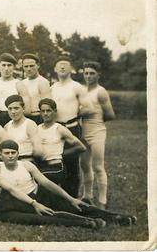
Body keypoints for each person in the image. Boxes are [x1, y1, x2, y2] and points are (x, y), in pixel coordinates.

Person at [0, 144, 106, 228]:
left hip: (6, 200)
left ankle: (96, 221)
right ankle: (87, 223)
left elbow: (11, 189)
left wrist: (34, 203)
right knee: (33, 220)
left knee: (44, 213)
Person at [0, 140, 136, 226]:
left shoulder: (27, 165)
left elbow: (46, 183)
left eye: (13, 153)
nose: (10, 156)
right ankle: (91, 222)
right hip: (23, 202)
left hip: (40, 195)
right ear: (0, 155)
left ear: (18, 154)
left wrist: (70, 198)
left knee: (75, 206)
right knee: (54, 215)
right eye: (6, 153)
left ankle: (117, 217)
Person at [51, 55, 93, 197]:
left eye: (65, 64)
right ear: (55, 69)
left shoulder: (77, 87)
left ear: (71, 69)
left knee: (72, 163)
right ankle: (58, 196)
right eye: (60, 65)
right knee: (56, 160)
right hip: (55, 129)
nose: (62, 67)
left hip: (72, 127)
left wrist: (75, 116)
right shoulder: (52, 87)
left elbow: (88, 107)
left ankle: (73, 197)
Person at [79, 61, 116, 209]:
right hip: (82, 132)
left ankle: (102, 200)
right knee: (84, 166)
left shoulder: (101, 91)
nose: (88, 76)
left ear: (98, 75)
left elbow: (111, 115)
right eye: (86, 73)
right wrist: (83, 113)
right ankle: (87, 196)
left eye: (92, 73)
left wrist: (96, 114)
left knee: (98, 166)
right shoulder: (80, 90)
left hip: (97, 132)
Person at [37, 98, 86, 188]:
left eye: (48, 111)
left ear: (55, 111)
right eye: (42, 111)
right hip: (41, 165)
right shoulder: (37, 128)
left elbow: (81, 147)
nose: (45, 113)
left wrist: (62, 154)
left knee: (38, 178)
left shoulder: (59, 129)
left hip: (56, 166)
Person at [0, 53, 31, 127]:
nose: (6, 68)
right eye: (3, 65)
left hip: (13, 119)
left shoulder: (18, 84)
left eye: (9, 65)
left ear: (14, 67)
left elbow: (27, 109)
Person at [4, 95, 43, 163]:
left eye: (16, 108)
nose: (13, 112)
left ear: (23, 108)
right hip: (11, 163)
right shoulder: (7, 126)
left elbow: (38, 150)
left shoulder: (30, 124)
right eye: (10, 109)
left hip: (27, 160)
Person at [21, 53, 51, 124]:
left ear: (38, 66)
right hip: (25, 118)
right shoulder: (22, 83)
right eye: (26, 66)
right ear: (23, 67)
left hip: (39, 117)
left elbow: (47, 104)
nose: (29, 69)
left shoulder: (43, 82)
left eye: (31, 66)